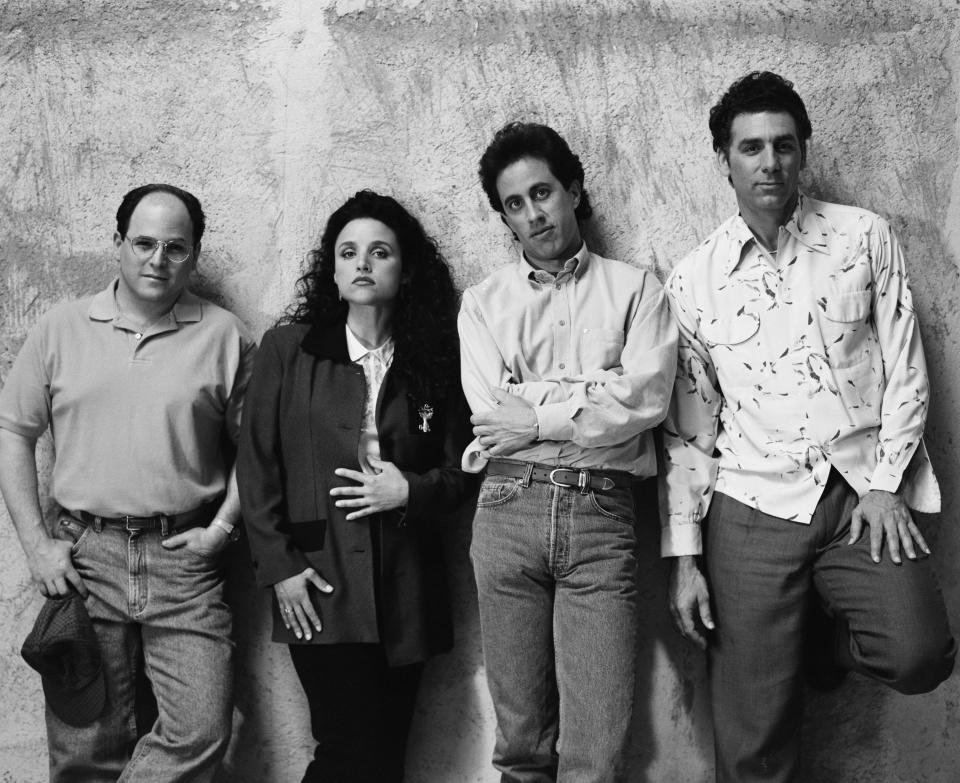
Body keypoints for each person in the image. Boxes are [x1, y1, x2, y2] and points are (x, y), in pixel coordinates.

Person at [661, 71, 956, 782]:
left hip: (858, 493)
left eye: (784, 146)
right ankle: (781, 643)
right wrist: (684, 557)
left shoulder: (863, 236)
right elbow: (689, 432)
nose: (770, 163)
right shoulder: (694, 278)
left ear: (803, 152)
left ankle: (813, 639)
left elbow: (908, 370)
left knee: (920, 653)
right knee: (752, 740)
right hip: (751, 503)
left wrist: (886, 484)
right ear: (724, 159)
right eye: (752, 147)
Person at [0, 184, 255, 781]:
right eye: (142, 243)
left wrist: (222, 527)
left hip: (184, 560)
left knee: (202, 730)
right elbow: (13, 433)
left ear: (194, 255)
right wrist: (37, 546)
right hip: (85, 558)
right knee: (86, 746)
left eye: (175, 247)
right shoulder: (60, 329)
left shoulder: (226, 335)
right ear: (117, 244)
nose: (156, 260)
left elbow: (256, 450)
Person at [460, 121, 678, 782]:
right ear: (505, 217)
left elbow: (645, 399)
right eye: (515, 204)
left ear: (574, 190)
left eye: (543, 192)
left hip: (603, 518)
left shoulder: (637, 289)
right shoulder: (483, 303)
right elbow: (494, 415)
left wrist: (540, 410)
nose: (533, 213)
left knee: (597, 752)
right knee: (522, 745)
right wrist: (592, 397)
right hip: (506, 510)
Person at [237, 189, 475, 783]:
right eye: (348, 253)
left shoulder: (436, 358)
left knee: (387, 756)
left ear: (406, 268)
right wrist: (279, 567)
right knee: (350, 751)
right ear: (333, 270)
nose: (362, 263)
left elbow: (465, 469)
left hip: (408, 585)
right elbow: (257, 464)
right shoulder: (288, 349)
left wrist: (410, 492)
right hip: (319, 582)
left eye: (379, 252)